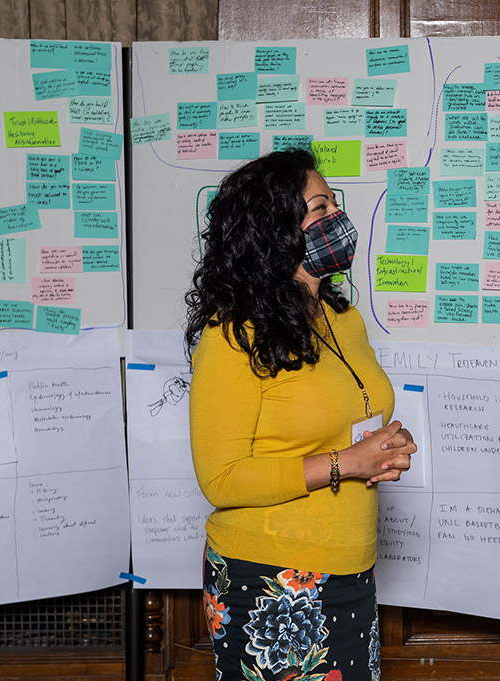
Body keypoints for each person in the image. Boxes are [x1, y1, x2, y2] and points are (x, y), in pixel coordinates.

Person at [185, 148, 415, 681]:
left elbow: (349, 416)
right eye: (318, 207)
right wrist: (346, 463)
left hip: (352, 570)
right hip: (268, 576)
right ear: (275, 228)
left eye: (335, 203)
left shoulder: (343, 318)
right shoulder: (233, 334)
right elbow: (221, 479)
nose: (337, 218)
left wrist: (381, 449)